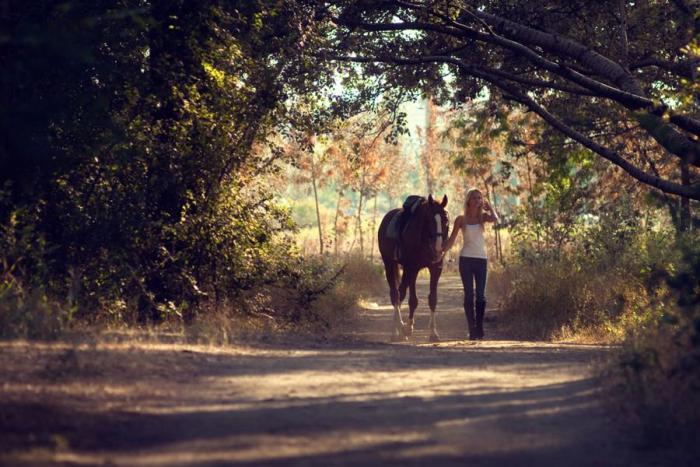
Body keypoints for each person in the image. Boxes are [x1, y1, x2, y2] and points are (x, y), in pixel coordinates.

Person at [441, 188, 499, 340]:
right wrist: (442, 253)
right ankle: (471, 329)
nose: (477, 200)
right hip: (466, 260)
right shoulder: (461, 219)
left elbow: (496, 220)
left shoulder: (483, 217)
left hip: (481, 260)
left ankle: (479, 327)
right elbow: (452, 239)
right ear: (468, 200)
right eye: (474, 198)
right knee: (469, 295)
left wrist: (490, 207)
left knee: (481, 296)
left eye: (480, 198)